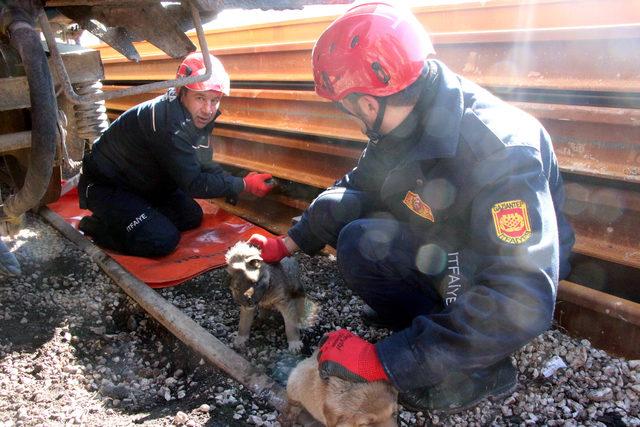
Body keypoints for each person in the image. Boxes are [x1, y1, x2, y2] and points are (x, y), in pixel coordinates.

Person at [248, 1, 575, 414]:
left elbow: (520, 297)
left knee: (465, 305)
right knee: (359, 241)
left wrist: (385, 361)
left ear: (367, 103)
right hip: (451, 233)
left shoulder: (501, 152)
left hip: (500, 264)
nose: (349, 115)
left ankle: (484, 369)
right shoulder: (406, 114)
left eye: (345, 105)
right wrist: (289, 242)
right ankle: (428, 332)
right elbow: (357, 184)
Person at [77, 52, 274, 257]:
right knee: (162, 240)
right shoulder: (168, 124)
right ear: (182, 91)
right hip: (107, 187)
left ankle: (139, 217)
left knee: (191, 216)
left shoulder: (193, 115)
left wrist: (239, 179)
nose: (208, 109)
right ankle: (98, 227)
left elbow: (203, 162)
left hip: (143, 183)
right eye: (200, 97)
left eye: (214, 100)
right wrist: (243, 185)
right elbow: (193, 183)